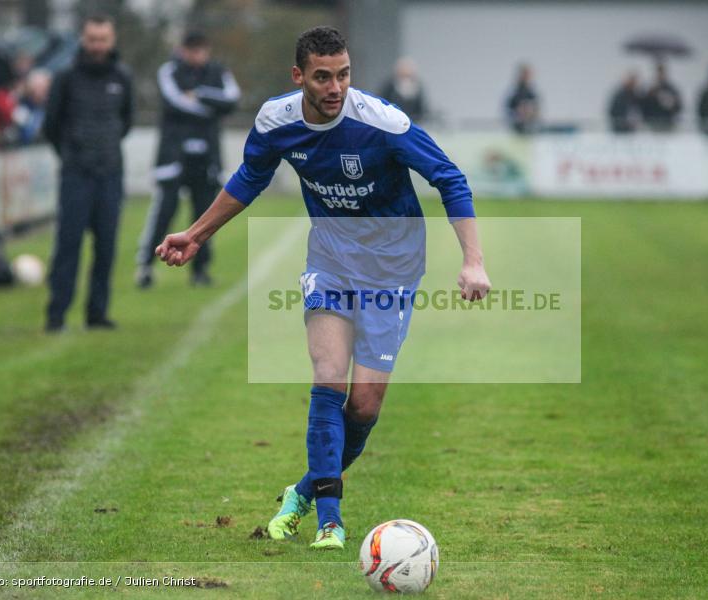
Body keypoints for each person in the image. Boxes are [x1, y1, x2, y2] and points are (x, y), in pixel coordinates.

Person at [155, 26, 491, 550]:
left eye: (344, 74)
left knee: (363, 407)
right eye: (322, 77)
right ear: (299, 76)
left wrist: (474, 261)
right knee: (329, 377)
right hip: (331, 261)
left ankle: (304, 491)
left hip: (393, 269)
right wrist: (195, 235)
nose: (336, 87)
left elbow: (450, 178)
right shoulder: (276, 121)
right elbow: (249, 177)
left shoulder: (382, 121)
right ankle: (329, 522)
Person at [42, 15, 133, 332]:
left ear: (112, 40)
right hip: (76, 175)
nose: (98, 45)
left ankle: (97, 314)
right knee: (68, 245)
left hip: (110, 173)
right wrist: (73, 154)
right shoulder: (66, 77)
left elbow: (126, 121)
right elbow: (51, 125)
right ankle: (56, 315)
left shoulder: (122, 77)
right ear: (83, 39)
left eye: (103, 39)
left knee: (106, 246)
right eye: (92, 39)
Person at [136, 30, 240, 288]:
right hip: (174, 156)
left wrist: (200, 94)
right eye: (192, 50)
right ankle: (146, 266)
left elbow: (232, 100)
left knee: (205, 215)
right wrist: (211, 107)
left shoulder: (218, 72)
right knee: (164, 211)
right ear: (183, 50)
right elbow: (175, 102)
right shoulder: (169, 71)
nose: (197, 56)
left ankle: (200, 270)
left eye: (201, 50)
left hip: (207, 158)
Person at [380, 57, 428, 122]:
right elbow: (383, 102)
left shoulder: (417, 87)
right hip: (392, 120)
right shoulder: (390, 86)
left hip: (412, 121)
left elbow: (421, 107)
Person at [13, 69, 52, 143]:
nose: (45, 91)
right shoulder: (22, 109)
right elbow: (27, 134)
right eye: (40, 87)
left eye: (46, 87)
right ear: (30, 89)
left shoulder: (53, 105)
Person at [642, 62, 682, 131]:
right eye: (659, 73)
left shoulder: (670, 89)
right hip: (653, 123)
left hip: (667, 123)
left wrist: (670, 104)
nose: (660, 75)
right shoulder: (650, 90)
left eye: (662, 73)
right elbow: (644, 105)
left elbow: (678, 106)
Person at [505, 63, 540, 134]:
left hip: (530, 131)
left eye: (528, 75)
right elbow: (508, 112)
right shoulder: (514, 94)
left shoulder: (532, 94)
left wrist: (532, 113)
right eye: (525, 74)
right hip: (516, 132)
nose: (527, 77)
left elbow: (537, 112)